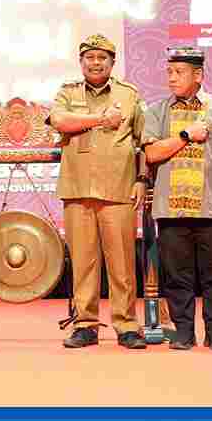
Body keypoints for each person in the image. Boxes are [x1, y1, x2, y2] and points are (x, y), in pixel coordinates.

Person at [142, 47, 212, 350]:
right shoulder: (157, 111)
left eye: (179, 72)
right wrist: (186, 135)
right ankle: (184, 332)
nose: (172, 78)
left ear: (198, 75)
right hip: (171, 208)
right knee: (177, 276)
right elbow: (151, 153)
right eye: (169, 72)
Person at [47, 34, 148, 350]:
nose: (95, 63)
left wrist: (142, 179)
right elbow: (59, 121)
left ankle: (126, 324)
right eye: (89, 57)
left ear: (112, 62)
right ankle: (85, 325)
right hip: (77, 189)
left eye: (102, 58)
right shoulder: (67, 92)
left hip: (118, 189)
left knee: (122, 264)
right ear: (81, 63)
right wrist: (100, 119)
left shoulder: (129, 94)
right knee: (83, 263)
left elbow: (144, 141)